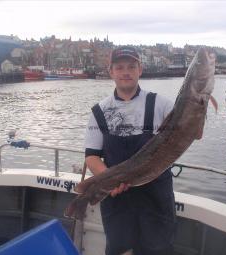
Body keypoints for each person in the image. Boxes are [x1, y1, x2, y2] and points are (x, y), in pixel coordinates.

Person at [84, 46, 176, 255]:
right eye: (120, 67)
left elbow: (190, 132)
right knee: (119, 250)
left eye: (131, 67)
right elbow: (91, 157)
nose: (126, 72)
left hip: (156, 199)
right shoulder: (99, 111)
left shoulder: (162, 105)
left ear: (140, 70)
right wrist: (109, 179)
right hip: (117, 202)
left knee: (158, 249)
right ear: (111, 72)